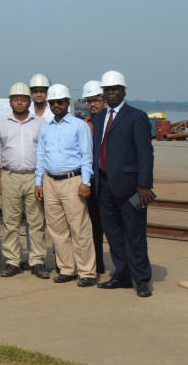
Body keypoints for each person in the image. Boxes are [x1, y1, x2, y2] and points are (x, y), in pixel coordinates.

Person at [93, 70, 154, 297]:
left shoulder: (136, 116)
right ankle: (123, 274)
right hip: (104, 183)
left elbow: (145, 153)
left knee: (134, 233)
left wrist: (144, 184)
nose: (111, 93)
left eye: (115, 89)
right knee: (114, 233)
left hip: (130, 186)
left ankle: (142, 279)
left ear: (123, 91)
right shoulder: (99, 117)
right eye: (107, 90)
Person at [35, 84, 96, 287]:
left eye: (59, 102)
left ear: (67, 103)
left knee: (80, 228)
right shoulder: (46, 128)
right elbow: (41, 157)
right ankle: (67, 269)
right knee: (57, 229)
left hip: (73, 180)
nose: (56, 105)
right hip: (50, 180)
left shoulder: (79, 126)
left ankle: (87, 272)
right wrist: (38, 182)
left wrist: (85, 181)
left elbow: (87, 155)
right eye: (52, 102)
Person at [0, 82, 49, 279]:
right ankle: (12, 260)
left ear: (29, 101)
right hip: (9, 176)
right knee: (10, 221)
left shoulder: (40, 124)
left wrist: (41, 179)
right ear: (10, 102)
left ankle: (37, 260)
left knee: (36, 221)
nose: (19, 103)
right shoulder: (1, 123)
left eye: (23, 99)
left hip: (34, 176)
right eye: (15, 99)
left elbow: (43, 153)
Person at [82, 79, 107, 274]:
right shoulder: (84, 125)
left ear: (105, 100)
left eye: (96, 100)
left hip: (109, 182)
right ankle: (98, 264)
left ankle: (125, 268)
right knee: (93, 227)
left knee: (114, 227)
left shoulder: (111, 123)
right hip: (90, 182)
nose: (92, 105)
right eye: (89, 101)